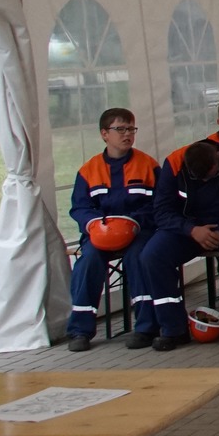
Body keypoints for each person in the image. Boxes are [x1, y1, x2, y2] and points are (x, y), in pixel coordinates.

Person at [144, 139, 219, 347]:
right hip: (188, 231)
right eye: (197, 178)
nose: (204, 181)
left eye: (209, 175)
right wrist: (191, 230)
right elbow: (162, 211)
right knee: (152, 255)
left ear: (217, 159)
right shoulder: (173, 164)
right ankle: (174, 329)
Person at [64, 107, 158, 352]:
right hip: (101, 234)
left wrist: (134, 223)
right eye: (120, 129)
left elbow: (159, 204)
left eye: (131, 129)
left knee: (140, 258)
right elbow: (80, 208)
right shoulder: (89, 170)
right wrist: (96, 225)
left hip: (139, 232)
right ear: (104, 134)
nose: (127, 134)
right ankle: (79, 331)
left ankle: (146, 327)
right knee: (87, 262)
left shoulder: (148, 165)